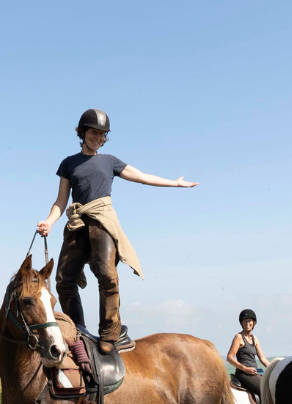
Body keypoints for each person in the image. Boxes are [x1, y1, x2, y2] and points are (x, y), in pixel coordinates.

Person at [36, 108, 199, 354]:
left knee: (107, 275)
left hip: (103, 220)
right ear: (82, 132)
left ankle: (109, 333)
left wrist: (174, 183)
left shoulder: (110, 161)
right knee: (64, 280)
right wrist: (49, 221)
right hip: (78, 222)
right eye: (94, 132)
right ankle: (76, 329)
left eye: (102, 134)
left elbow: (142, 177)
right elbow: (61, 200)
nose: (98, 138)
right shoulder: (68, 163)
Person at [226, 308, 269, 401]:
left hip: (256, 371)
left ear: (254, 322)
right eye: (245, 321)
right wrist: (245, 369)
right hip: (244, 373)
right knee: (266, 391)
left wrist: (273, 368)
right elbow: (229, 357)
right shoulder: (238, 337)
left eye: (249, 321)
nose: (247, 323)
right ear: (241, 323)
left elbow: (262, 358)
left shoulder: (255, 338)